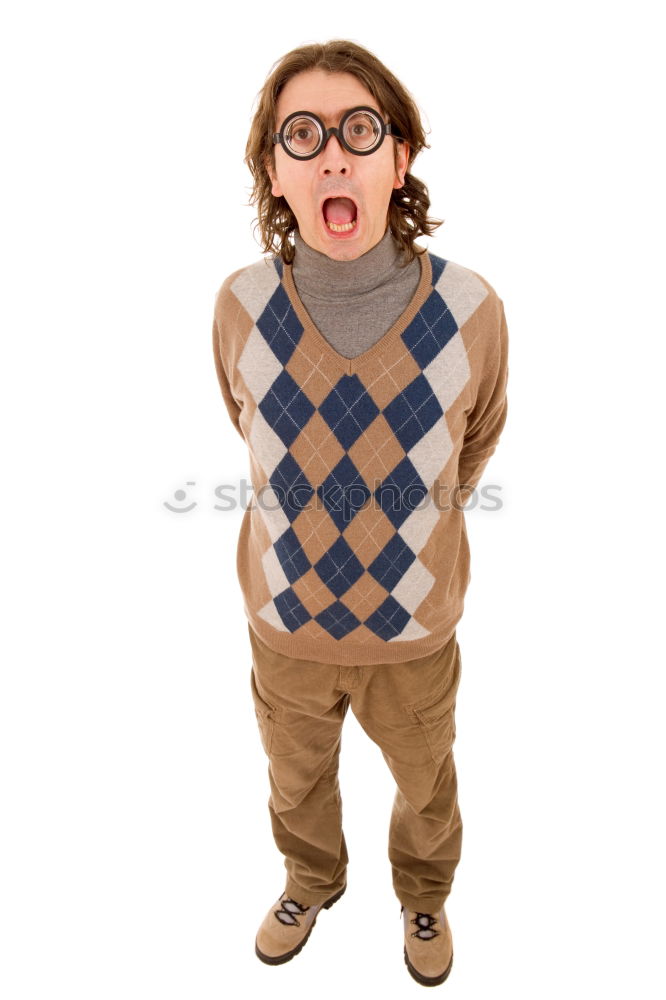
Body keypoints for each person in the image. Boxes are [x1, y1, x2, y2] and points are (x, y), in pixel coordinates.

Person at [212, 39, 509, 987]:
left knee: (429, 786)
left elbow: (475, 441)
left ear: (399, 158)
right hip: (285, 626)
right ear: (274, 169)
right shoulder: (240, 306)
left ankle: (424, 896)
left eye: (359, 129)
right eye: (303, 134)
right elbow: (248, 426)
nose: (332, 152)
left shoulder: (471, 309)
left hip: (415, 632)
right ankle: (311, 878)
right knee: (294, 778)